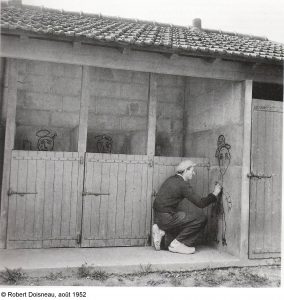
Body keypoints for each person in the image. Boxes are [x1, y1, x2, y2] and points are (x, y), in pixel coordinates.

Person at [152, 160, 222, 254]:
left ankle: (161, 233)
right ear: (185, 171)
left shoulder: (171, 179)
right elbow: (201, 203)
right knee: (201, 218)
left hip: (158, 217)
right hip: (167, 218)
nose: (193, 173)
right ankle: (177, 244)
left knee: (182, 219)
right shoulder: (183, 185)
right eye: (192, 170)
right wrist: (214, 194)